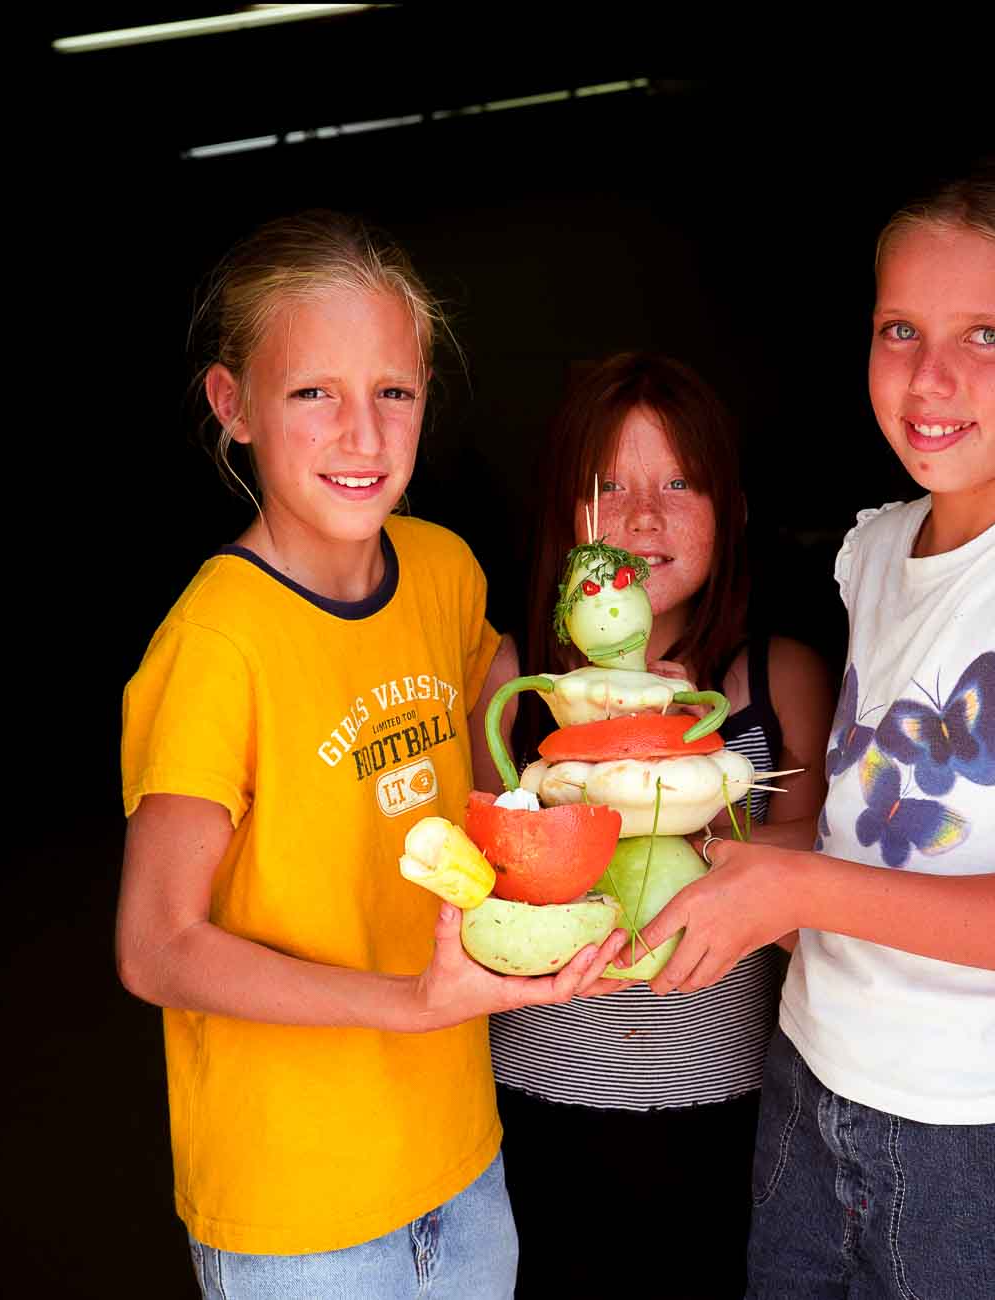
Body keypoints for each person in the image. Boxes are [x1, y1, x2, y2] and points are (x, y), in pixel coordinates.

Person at [640, 164, 995, 1299]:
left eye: (985, 333)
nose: (929, 378)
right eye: (900, 329)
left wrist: (795, 895)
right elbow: (882, 846)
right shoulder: (877, 551)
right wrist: (708, 868)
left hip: (986, 1147)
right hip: (813, 1084)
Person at [115, 210, 626, 1300]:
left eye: (394, 391)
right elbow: (155, 948)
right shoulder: (217, 643)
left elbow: (500, 741)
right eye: (314, 394)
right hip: (298, 1210)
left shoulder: (441, 571)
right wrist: (411, 1002)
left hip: (458, 1157)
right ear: (233, 406)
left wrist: (576, 828)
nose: (363, 434)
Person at [489, 352, 835, 1299]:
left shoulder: (778, 682)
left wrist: (680, 789)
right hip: (541, 1103)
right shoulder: (514, 683)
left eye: (680, 482)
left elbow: (824, 886)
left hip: (729, 1108)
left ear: (734, 509)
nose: (643, 517)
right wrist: (589, 764)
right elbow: (490, 880)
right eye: (608, 486)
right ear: (566, 511)